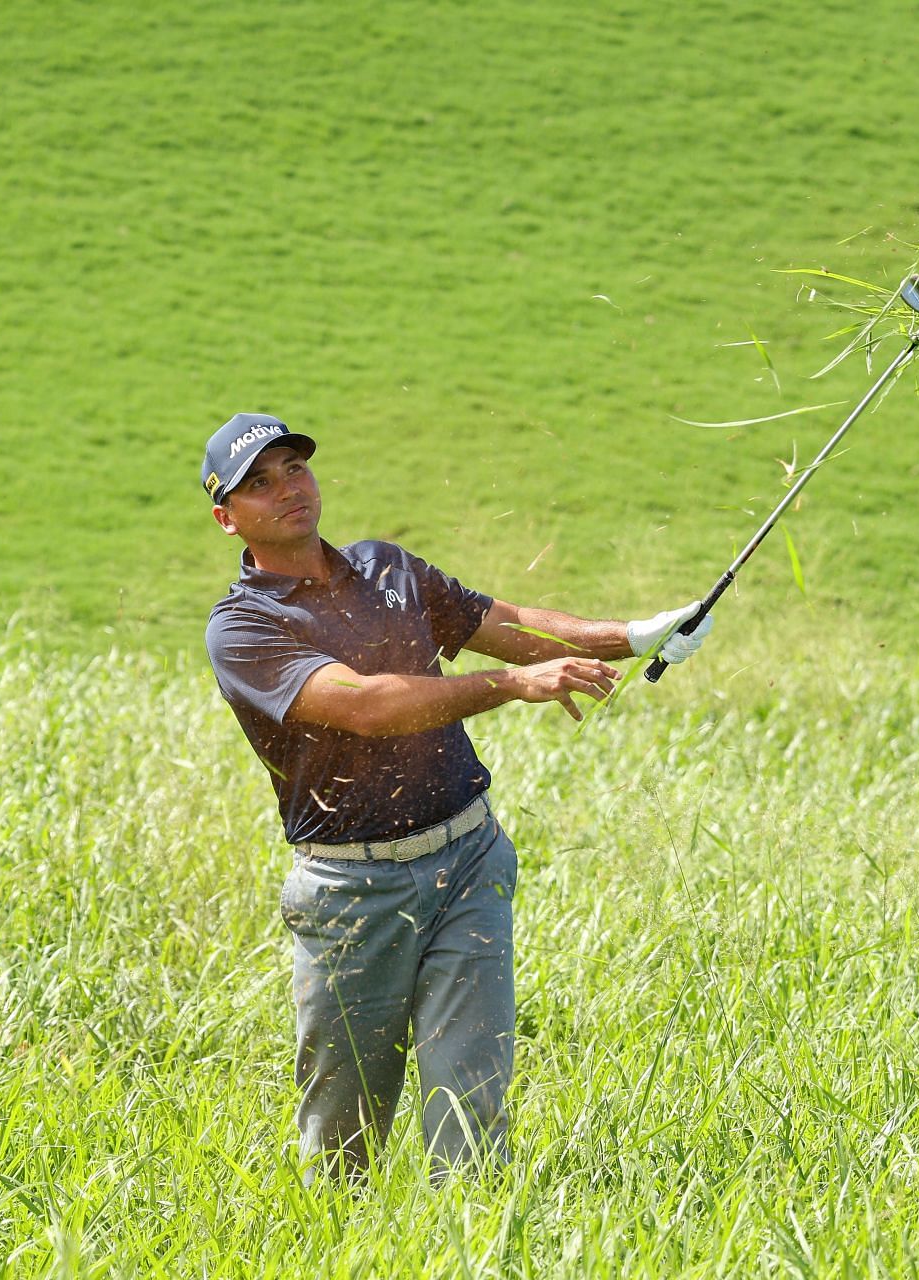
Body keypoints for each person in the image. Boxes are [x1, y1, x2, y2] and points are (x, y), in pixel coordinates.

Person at [199, 412, 710, 1181]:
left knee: (471, 1102)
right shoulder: (243, 627)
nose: (286, 491)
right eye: (258, 485)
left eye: (293, 469)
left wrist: (634, 635)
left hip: (467, 861)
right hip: (349, 889)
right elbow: (367, 705)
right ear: (227, 518)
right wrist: (512, 686)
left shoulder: (387, 568)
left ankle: (467, 1245)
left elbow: (501, 624)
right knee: (343, 1134)